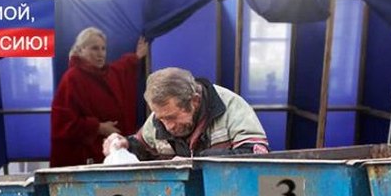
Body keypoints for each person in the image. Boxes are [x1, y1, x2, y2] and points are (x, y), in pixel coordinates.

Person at [103, 67, 269, 160]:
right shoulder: (158, 119)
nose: (168, 126)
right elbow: (140, 147)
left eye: (172, 117)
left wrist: (196, 161)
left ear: (194, 101)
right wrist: (124, 145)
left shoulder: (232, 107)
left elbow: (256, 156)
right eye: (162, 119)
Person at [50, 27, 148, 167]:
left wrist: (136, 57)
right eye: (94, 48)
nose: (100, 53)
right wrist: (98, 127)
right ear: (80, 50)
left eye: (103, 48)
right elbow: (63, 123)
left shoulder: (107, 73)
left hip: (112, 151)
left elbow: (121, 68)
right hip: (86, 157)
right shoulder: (72, 78)